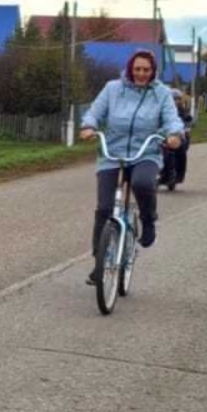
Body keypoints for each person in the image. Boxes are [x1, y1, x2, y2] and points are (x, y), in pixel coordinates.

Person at [78, 49, 186, 285]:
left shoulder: (161, 93)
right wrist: (88, 126)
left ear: (153, 71)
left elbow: (171, 118)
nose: (141, 74)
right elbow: (95, 111)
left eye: (146, 70)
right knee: (104, 208)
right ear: (130, 69)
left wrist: (174, 134)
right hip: (112, 152)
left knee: (142, 183)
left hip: (145, 151)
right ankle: (99, 262)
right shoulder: (112, 88)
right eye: (137, 69)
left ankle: (148, 219)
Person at [160, 87, 195, 190]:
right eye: (174, 98)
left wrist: (188, 121)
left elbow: (189, 119)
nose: (176, 101)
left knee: (181, 151)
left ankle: (180, 174)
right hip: (165, 136)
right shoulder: (164, 109)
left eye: (178, 99)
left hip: (181, 136)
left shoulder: (182, 110)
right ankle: (162, 174)